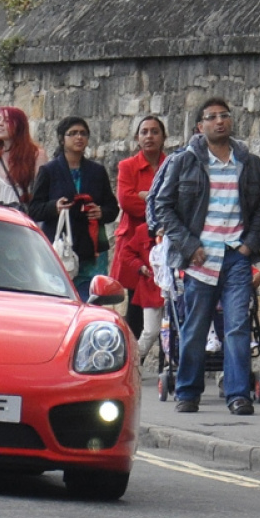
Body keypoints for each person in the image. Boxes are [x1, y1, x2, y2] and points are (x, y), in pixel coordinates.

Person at [151, 98, 260, 416]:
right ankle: (188, 391)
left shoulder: (249, 163)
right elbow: (163, 206)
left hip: (235, 257)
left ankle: (238, 394)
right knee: (195, 326)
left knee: (237, 327)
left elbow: (259, 210)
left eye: (224, 116)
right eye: (211, 117)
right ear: (200, 126)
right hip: (200, 258)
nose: (219, 122)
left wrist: (247, 245)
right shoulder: (184, 161)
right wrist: (189, 246)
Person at [28, 116, 120, 299]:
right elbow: (34, 209)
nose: (79, 138)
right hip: (61, 246)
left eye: (83, 134)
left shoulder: (97, 171)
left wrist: (101, 212)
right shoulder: (49, 171)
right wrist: (55, 207)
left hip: (90, 249)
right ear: (62, 139)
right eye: (73, 134)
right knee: (60, 298)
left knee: (89, 301)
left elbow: (112, 207)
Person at [113, 115, 167, 362]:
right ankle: (130, 358)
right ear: (137, 138)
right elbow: (127, 202)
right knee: (135, 302)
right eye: (144, 132)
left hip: (164, 240)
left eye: (154, 131)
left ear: (163, 137)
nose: (149, 136)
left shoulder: (172, 163)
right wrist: (158, 202)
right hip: (136, 243)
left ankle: (163, 360)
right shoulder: (128, 166)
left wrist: (147, 197)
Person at [0, 106, 48, 208]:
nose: (0, 124)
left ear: (19, 126)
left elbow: (41, 193)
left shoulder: (37, 155)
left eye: (7, 121)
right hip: (1, 217)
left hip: (25, 218)